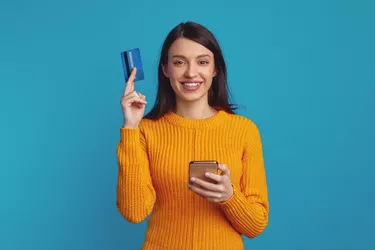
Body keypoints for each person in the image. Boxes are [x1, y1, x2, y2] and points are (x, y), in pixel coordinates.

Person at [116, 21, 269, 250]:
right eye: (179, 62)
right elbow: (134, 212)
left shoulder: (244, 130)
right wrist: (130, 127)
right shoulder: (145, 131)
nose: (191, 73)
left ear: (215, 69)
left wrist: (229, 197)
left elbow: (256, 226)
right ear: (165, 69)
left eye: (203, 62)